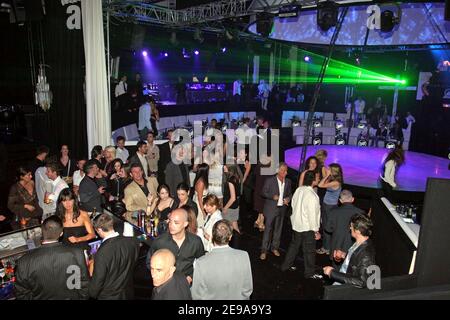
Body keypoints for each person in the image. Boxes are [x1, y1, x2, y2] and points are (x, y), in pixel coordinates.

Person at [15, 216, 89, 300]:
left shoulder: (24, 261)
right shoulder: (77, 253)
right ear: (61, 233)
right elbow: (84, 284)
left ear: (42, 232)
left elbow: (21, 293)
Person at [192, 220, 253, 300]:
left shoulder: (201, 263)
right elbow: (247, 289)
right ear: (230, 237)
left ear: (213, 236)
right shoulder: (243, 256)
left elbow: (197, 295)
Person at [147, 208, 205, 285]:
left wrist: (191, 277)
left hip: (186, 285)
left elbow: (202, 263)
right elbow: (149, 262)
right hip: (165, 285)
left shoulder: (195, 241)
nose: (171, 225)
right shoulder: (160, 241)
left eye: (176, 223)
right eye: (170, 221)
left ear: (185, 224)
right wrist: (159, 275)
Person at [281, 171, 322, 278]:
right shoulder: (313, 196)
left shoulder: (299, 190)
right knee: (309, 251)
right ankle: (309, 273)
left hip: (296, 225)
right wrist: (316, 231)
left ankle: (285, 266)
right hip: (307, 227)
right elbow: (313, 215)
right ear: (313, 180)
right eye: (317, 177)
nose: (319, 179)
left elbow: (293, 205)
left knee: (294, 246)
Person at [89, 213, 140, 300]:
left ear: (99, 230)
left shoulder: (102, 252)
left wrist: (91, 294)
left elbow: (98, 281)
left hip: (108, 296)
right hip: (128, 293)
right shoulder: (133, 242)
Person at [323, 214, 376, 288]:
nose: (350, 228)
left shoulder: (366, 254)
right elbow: (357, 260)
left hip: (347, 287)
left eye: (351, 226)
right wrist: (343, 255)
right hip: (344, 277)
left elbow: (362, 281)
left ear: (358, 231)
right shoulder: (359, 242)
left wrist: (332, 273)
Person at [325, 190, 366, 267]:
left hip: (337, 246)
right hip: (353, 246)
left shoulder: (333, 212)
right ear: (352, 199)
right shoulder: (361, 212)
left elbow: (328, 229)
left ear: (340, 200)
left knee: (336, 271)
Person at [260, 163, 292, 261]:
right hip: (271, 209)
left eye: (286, 171)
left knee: (278, 230)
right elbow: (263, 192)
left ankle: (274, 248)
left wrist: (288, 199)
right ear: (278, 170)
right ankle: (264, 251)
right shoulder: (270, 180)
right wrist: (272, 196)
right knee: (268, 230)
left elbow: (290, 193)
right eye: (283, 170)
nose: (285, 173)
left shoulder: (288, 181)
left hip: (282, 209)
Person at [317, 163, 343, 255]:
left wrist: (327, 175)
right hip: (327, 205)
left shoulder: (336, 182)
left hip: (330, 207)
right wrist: (325, 169)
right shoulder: (333, 180)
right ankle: (327, 247)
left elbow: (320, 185)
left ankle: (327, 248)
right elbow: (324, 176)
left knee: (327, 227)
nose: (328, 170)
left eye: (330, 169)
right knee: (324, 226)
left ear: (333, 172)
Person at [222, 165, 241, 234]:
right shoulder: (236, 177)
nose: (224, 167)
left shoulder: (230, 181)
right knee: (235, 227)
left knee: (227, 229)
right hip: (235, 206)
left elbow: (233, 198)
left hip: (230, 207)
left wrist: (225, 208)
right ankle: (237, 243)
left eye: (226, 166)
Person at [193, 163, 209, 227]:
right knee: (200, 223)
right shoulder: (201, 182)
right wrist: (203, 212)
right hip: (200, 204)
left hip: (202, 202)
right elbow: (199, 199)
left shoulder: (202, 179)